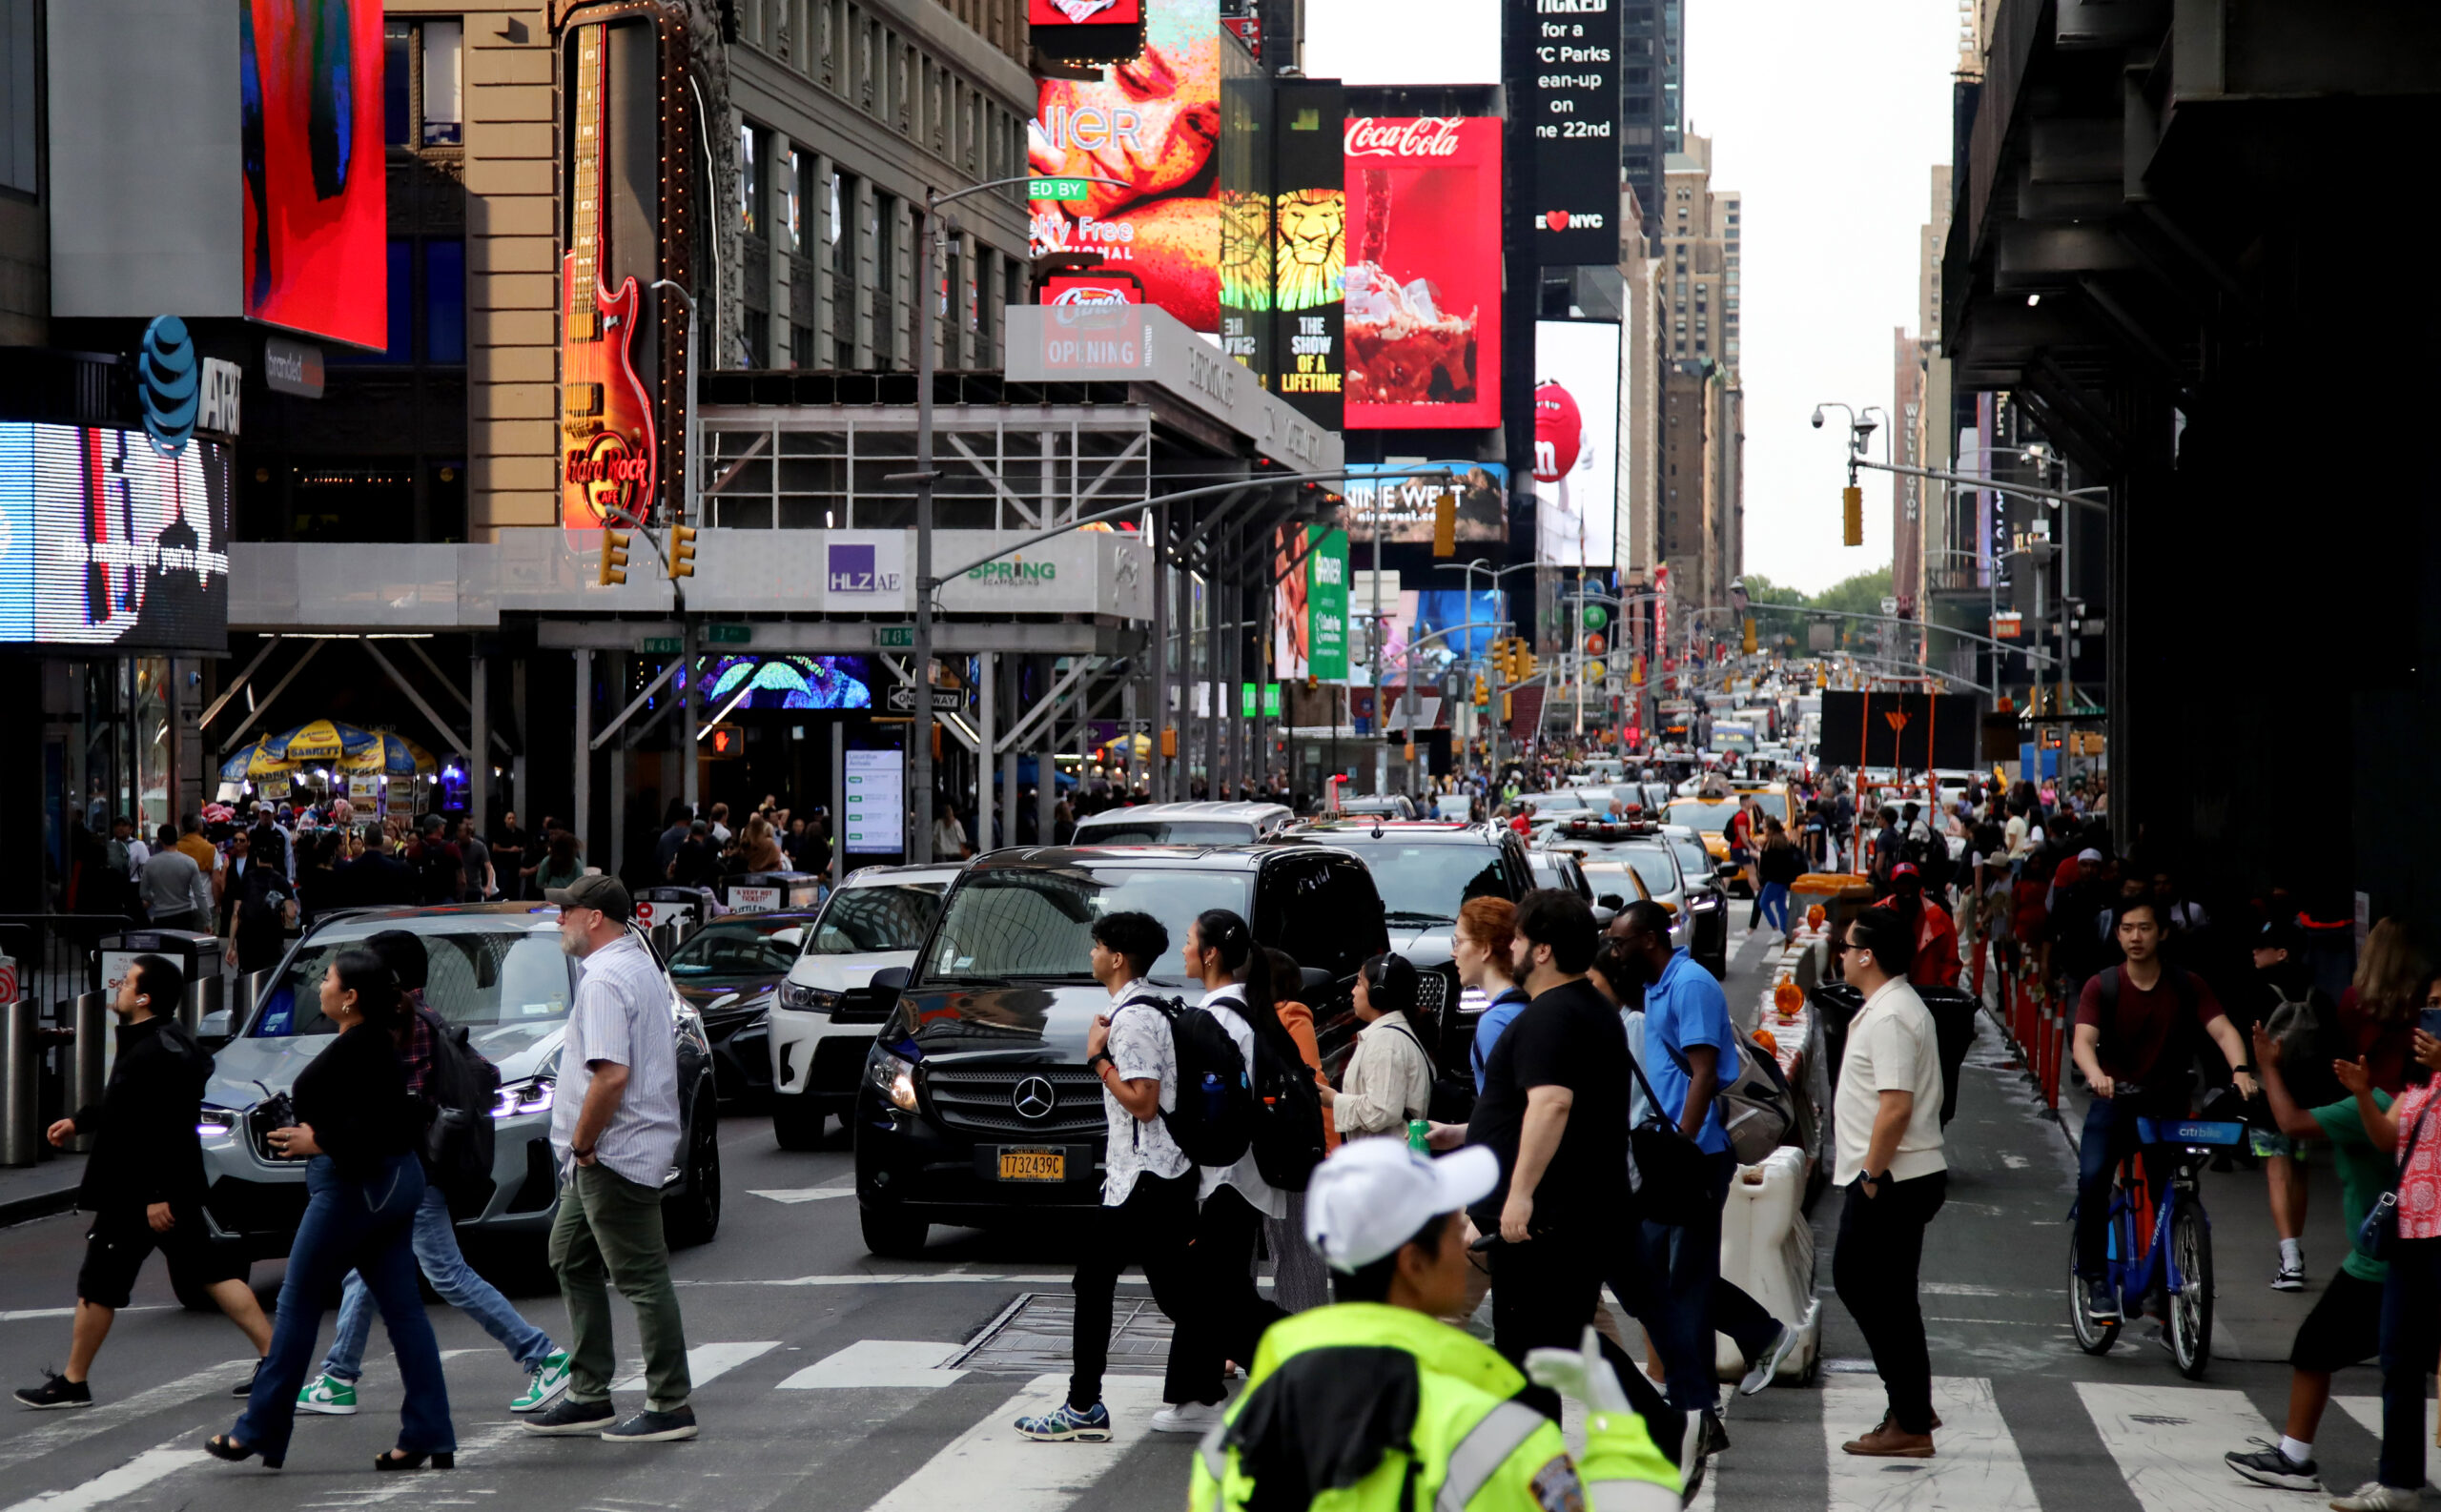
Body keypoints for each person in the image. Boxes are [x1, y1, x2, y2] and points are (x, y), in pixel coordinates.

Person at [1188, 1139, 1682, 1512]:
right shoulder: (1493, 1431)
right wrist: (1618, 1434)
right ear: (1413, 1263)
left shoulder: (1245, 1427)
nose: (1468, 1237)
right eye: (1452, 1227)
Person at [294, 932, 572, 1419]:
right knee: (366, 1271)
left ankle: (543, 1356)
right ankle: (338, 1375)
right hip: (411, 1170)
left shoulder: (401, 1024)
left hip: (413, 1171)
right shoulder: (419, 1018)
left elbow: (389, 1108)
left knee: (445, 1272)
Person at [205, 950, 453, 1471]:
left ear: (350, 997)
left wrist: (318, 1141)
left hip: (355, 1189)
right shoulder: (367, 1042)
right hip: (382, 1186)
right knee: (404, 1312)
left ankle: (259, 1429)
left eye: (329, 978)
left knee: (295, 1308)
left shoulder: (366, 1045)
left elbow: (386, 1122)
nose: (320, 985)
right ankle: (430, 1432)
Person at [14, 956, 275, 1410]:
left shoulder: (157, 1053)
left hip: (143, 1193)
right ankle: (276, 1360)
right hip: (151, 1190)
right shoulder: (156, 1045)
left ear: (144, 997)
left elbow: (168, 1129)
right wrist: (79, 1122)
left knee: (102, 1281)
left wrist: (159, 1196)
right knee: (209, 1272)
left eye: (127, 981)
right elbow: (127, 1107)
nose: (118, 987)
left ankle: (75, 1382)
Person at [2221, 982, 2425, 1494]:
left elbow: (2288, 1122)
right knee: (2405, 1365)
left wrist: (2266, 1064)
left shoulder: (2360, 1108)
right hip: (2404, 1253)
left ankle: (2295, 1459)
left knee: (2316, 1348)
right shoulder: (2392, 1101)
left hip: (2377, 1262)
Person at [1607, 900, 1795, 1449]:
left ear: (1648, 939)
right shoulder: (1662, 984)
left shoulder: (1689, 984)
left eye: (1621, 941)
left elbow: (1704, 1073)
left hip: (1695, 1155)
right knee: (1664, 1277)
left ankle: (1700, 1402)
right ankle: (1758, 1337)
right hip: (1672, 1153)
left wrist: (1682, 1145)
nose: (1615, 951)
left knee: (1682, 1282)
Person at [1014, 912, 1202, 1441]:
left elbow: (1143, 1103)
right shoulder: (1136, 1009)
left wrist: (1097, 1059)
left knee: (1100, 1281)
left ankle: (1083, 1406)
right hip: (1144, 1176)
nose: (1091, 954)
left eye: (1097, 946)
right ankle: (1092, 1403)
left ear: (1117, 958)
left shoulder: (1134, 1020)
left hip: (1147, 1178)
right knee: (1177, 1295)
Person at [524, 875, 697, 1443]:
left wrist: (581, 1143)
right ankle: (588, 1392)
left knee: (642, 1277)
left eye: (565, 912)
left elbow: (611, 1074)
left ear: (593, 917)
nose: (558, 922)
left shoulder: (603, 980)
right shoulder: (636, 965)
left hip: (611, 1151)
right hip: (610, 1150)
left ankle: (670, 1404)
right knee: (569, 1256)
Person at [1463, 890, 1631, 1422]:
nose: (1507, 946)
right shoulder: (1585, 1009)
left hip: (1547, 1222)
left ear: (1542, 951)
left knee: (1530, 1358)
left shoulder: (1551, 1016)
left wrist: (1518, 1196)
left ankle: (1665, 1424)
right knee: (1554, 1347)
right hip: (1572, 1214)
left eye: (1517, 937)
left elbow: (1552, 1104)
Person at [2070, 898, 2259, 1321]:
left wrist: (2242, 1070)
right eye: (2127, 928)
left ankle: (2164, 1280)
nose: (2136, 937)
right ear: (2117, 934)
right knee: (2093, 1178)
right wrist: (2096, 1073)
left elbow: (2224, 1029)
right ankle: (2096, 1278)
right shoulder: (2103, 985)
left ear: (2163, 933)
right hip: (2114, 1104)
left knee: (2175, 1191)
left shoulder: (2187, 984)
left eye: (2145, 928)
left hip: (2169, 1108)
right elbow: (2083, 1040)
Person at [1157, 909, 1291, 1434]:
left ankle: (1313, 1358)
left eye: (1190, 942)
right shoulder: (1245, 1014)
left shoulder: (1216, 1020)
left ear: (1211, 955)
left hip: (1226, 1177)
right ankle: (1198, 1394)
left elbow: (1206, 1109)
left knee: (1211, 1293)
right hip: (1243, 1174)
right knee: (1218, 1290)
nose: (1185, 950)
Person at [1828, 908, 1949, 1459]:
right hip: (1896, 1177)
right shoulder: (1887, 1007)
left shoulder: (1892, 1015)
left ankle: (1907, 1417)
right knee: (1892, 1296)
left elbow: (1895, 1106)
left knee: (1859, 1282)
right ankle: (1912, 1407)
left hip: (1893, 1179)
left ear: (1867, 955)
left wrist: (1870, 1177)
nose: (1842, 953)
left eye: (1848, 945)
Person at [2322, 1019, 2441, 1512]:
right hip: (2411, 1232)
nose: (2433, 1016)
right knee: (2398, 1358)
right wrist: (2363, 1094)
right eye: (2431, 1005)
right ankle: (2398, 1482)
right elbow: (2386, 1136)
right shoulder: (2419, 1082)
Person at [2248, 919, 2335, 1293]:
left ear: (2281, 953)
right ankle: (2294, 1252)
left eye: (2263, 946)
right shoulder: (2320, 993)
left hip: (2271, 1094)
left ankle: (2290, 1258)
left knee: (2276, 1170)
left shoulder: (2256, 991)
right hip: (2308, 1099)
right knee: (2299, 1170)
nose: (2255, 952)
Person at [1262, 947, 1335, 1310]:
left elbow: (1309, 1084)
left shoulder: (1287, 1017)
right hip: (1272, 1151)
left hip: (1273, 1149)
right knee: (1290, 1247)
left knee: (1289, 1246)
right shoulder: (1281, 1018)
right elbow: (1312, 1084)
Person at [1323, 952, 1436, 1140]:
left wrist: (1334, 1100)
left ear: (1378, 993)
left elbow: (1382, 1111)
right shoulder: (1389, 1035)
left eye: (1359, 983)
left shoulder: (1386, 1041)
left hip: (1387, 1163)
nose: (1353, 991)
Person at [1457, 898, 1529, 1095]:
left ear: (1486, 949)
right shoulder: (1527, 1004)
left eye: (1459, 942)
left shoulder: (1495, 1020)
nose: (1453, 952)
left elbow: (1505, 1109)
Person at [1877, 864, 1961, 989]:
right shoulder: (1878, 915)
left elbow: (1951, 961)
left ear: (1919, 885)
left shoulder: (1939, 918)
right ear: (1893, 886)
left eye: (1911, 883)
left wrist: (1944, 993)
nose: (1907, 888)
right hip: (1888, 993)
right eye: (1902, 883)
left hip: (1926, 994)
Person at [230, 827, 297, 974]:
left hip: (247, 939)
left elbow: (236, 915)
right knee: (270, 976)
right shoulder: (281, 881)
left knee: (248, 976)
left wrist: (231, 946)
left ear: (257, 858)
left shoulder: (246, 878)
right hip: (272, 938)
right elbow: (292, 913)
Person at [138, 834, 215, 933]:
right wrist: (207, 921)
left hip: (161, 917)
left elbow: (143, 892)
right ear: (177, 840)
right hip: (184, 917)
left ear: (160, 841)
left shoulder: (150, 863)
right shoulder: (190, 862)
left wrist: (157, 900)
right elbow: (199, 894)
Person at [339, 825, 418, 908]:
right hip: (387, 916)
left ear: (364, 841)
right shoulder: (397, 869)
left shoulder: (350, 869)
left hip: (359, 916)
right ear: (381, 841)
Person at [1755, 817, 1802, 942]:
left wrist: (1761, 880)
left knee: (1763, 903)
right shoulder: (1782, 840)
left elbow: (1765, 865)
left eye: (1765, 827)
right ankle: (1785, 931)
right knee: (1780, 905)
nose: (1763, 829)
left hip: (1774, 879)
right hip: (1784, 878)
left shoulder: (1770, 843)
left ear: (1770, 829)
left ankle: (1776, 930)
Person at [408, 815, 464, 907]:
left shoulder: (415, 851)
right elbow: (461, 879)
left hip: (424, 900)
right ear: (438, 828)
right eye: (442, 825)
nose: (444, 827)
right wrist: (460, 899)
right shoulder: (451, 848)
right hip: (447, 899)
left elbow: (409, 877)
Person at [490, 811, 530, 900]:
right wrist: (510, 850)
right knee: (503, 888)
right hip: (503, 865)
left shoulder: (520, 832)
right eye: (509, 818)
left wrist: (520, 849)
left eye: (513, 818)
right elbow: (495, 848)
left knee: (515, 888)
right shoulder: (500, 832)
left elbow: (525, 845)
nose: (511, 820)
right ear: (505, 820)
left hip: (516, 865)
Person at [535, 828, 586, 895]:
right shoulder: (576, 863)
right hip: (570, 898)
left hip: (552, 897)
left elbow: (539, 883)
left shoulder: (546, 861)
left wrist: (550, 889)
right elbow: (581, 885)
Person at [456, 816, 495, 902]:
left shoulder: (479, 846)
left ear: (469, 834)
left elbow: (489, 867)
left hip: (474, 888)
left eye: (463, 839)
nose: (461, 842)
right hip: (458, 889)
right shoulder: (455, 846)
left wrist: (488, 886)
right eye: (459, 839)